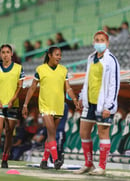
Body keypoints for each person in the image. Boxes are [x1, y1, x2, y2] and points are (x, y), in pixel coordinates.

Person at [22, 46, 80, 170]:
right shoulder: (40, 69)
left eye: (60, 55)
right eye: (57, 55)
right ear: (50, 55)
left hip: (59, 106)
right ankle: (55, 160)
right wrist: (25, 104)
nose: (59, 57)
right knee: (52, 133)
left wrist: (74, 100)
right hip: (45, 106)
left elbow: (68, 88)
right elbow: (32, 88)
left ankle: (44, 160)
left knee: (50, 134)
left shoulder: (63, 70)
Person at [74, 30, 120, 175]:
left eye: (102, 40)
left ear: (107, 43)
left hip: (104, 104)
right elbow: (88, 80)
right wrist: (82, 96)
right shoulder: (91, 58)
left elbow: (114, 84)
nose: (99, 42)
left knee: (103, 133)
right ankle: (88, 164)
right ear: (93, 42)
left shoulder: (111, 60)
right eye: (97, 40)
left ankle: (102, 167)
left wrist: (109, 106)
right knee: (83, 132)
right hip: (90, 103)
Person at [0, 44, 25, 168]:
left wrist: (12, 100)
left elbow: (20, 87)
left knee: (9, 132)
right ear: (0, 54)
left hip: (12, 104)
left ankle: (5, 158)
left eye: (7, 52)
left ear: (12, 54)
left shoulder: (19, 68)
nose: (5, 54)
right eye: (3, 52)